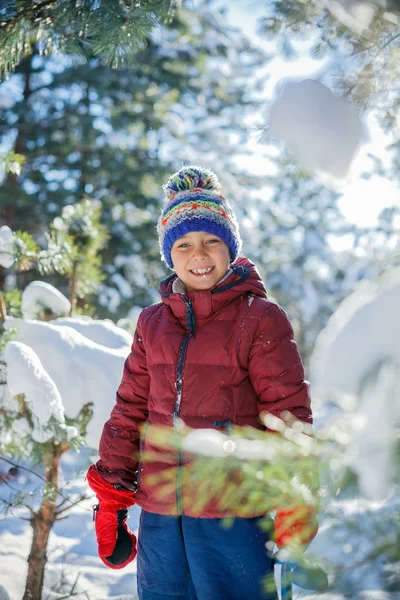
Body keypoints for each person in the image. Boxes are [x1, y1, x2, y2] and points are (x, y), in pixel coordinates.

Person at [86, 165, 318, 600]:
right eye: (185, 243)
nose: (200, 254)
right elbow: (129, 411)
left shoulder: (260, 318)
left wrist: (295, 497)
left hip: (233, 518)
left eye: (212, 240)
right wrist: (112, 498)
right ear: (169, 254)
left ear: (230, 247)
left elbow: (289, 416)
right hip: (160, 522)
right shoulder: (152, 323)